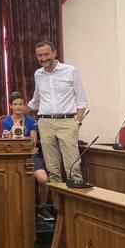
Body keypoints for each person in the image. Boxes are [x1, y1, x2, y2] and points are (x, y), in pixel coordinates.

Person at [28, 40, 88, 183]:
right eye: (39, 55)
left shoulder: (70, 71)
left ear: (54, 53)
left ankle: (74, 204)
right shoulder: (38, 74)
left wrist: (77, 122)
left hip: (67, 122)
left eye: (46, 54)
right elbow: (36, 100)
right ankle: (58, 205)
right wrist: (19, 110)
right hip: (45, 123)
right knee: (52, 170)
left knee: (73, 168)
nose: (43, 58)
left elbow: (81, 100)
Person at [2, 91, 54, 221]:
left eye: (21, 104)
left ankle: (42, 207)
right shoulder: (6, 121)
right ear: (10, 106)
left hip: (30, 154)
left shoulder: (30, 121)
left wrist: (22, 139)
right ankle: (12, 207)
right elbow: (5, 143)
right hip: (12, 155)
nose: (18, 107)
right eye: (15, 104)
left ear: (25, 105)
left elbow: (33, 141)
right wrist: (9, 135)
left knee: (43, 179)